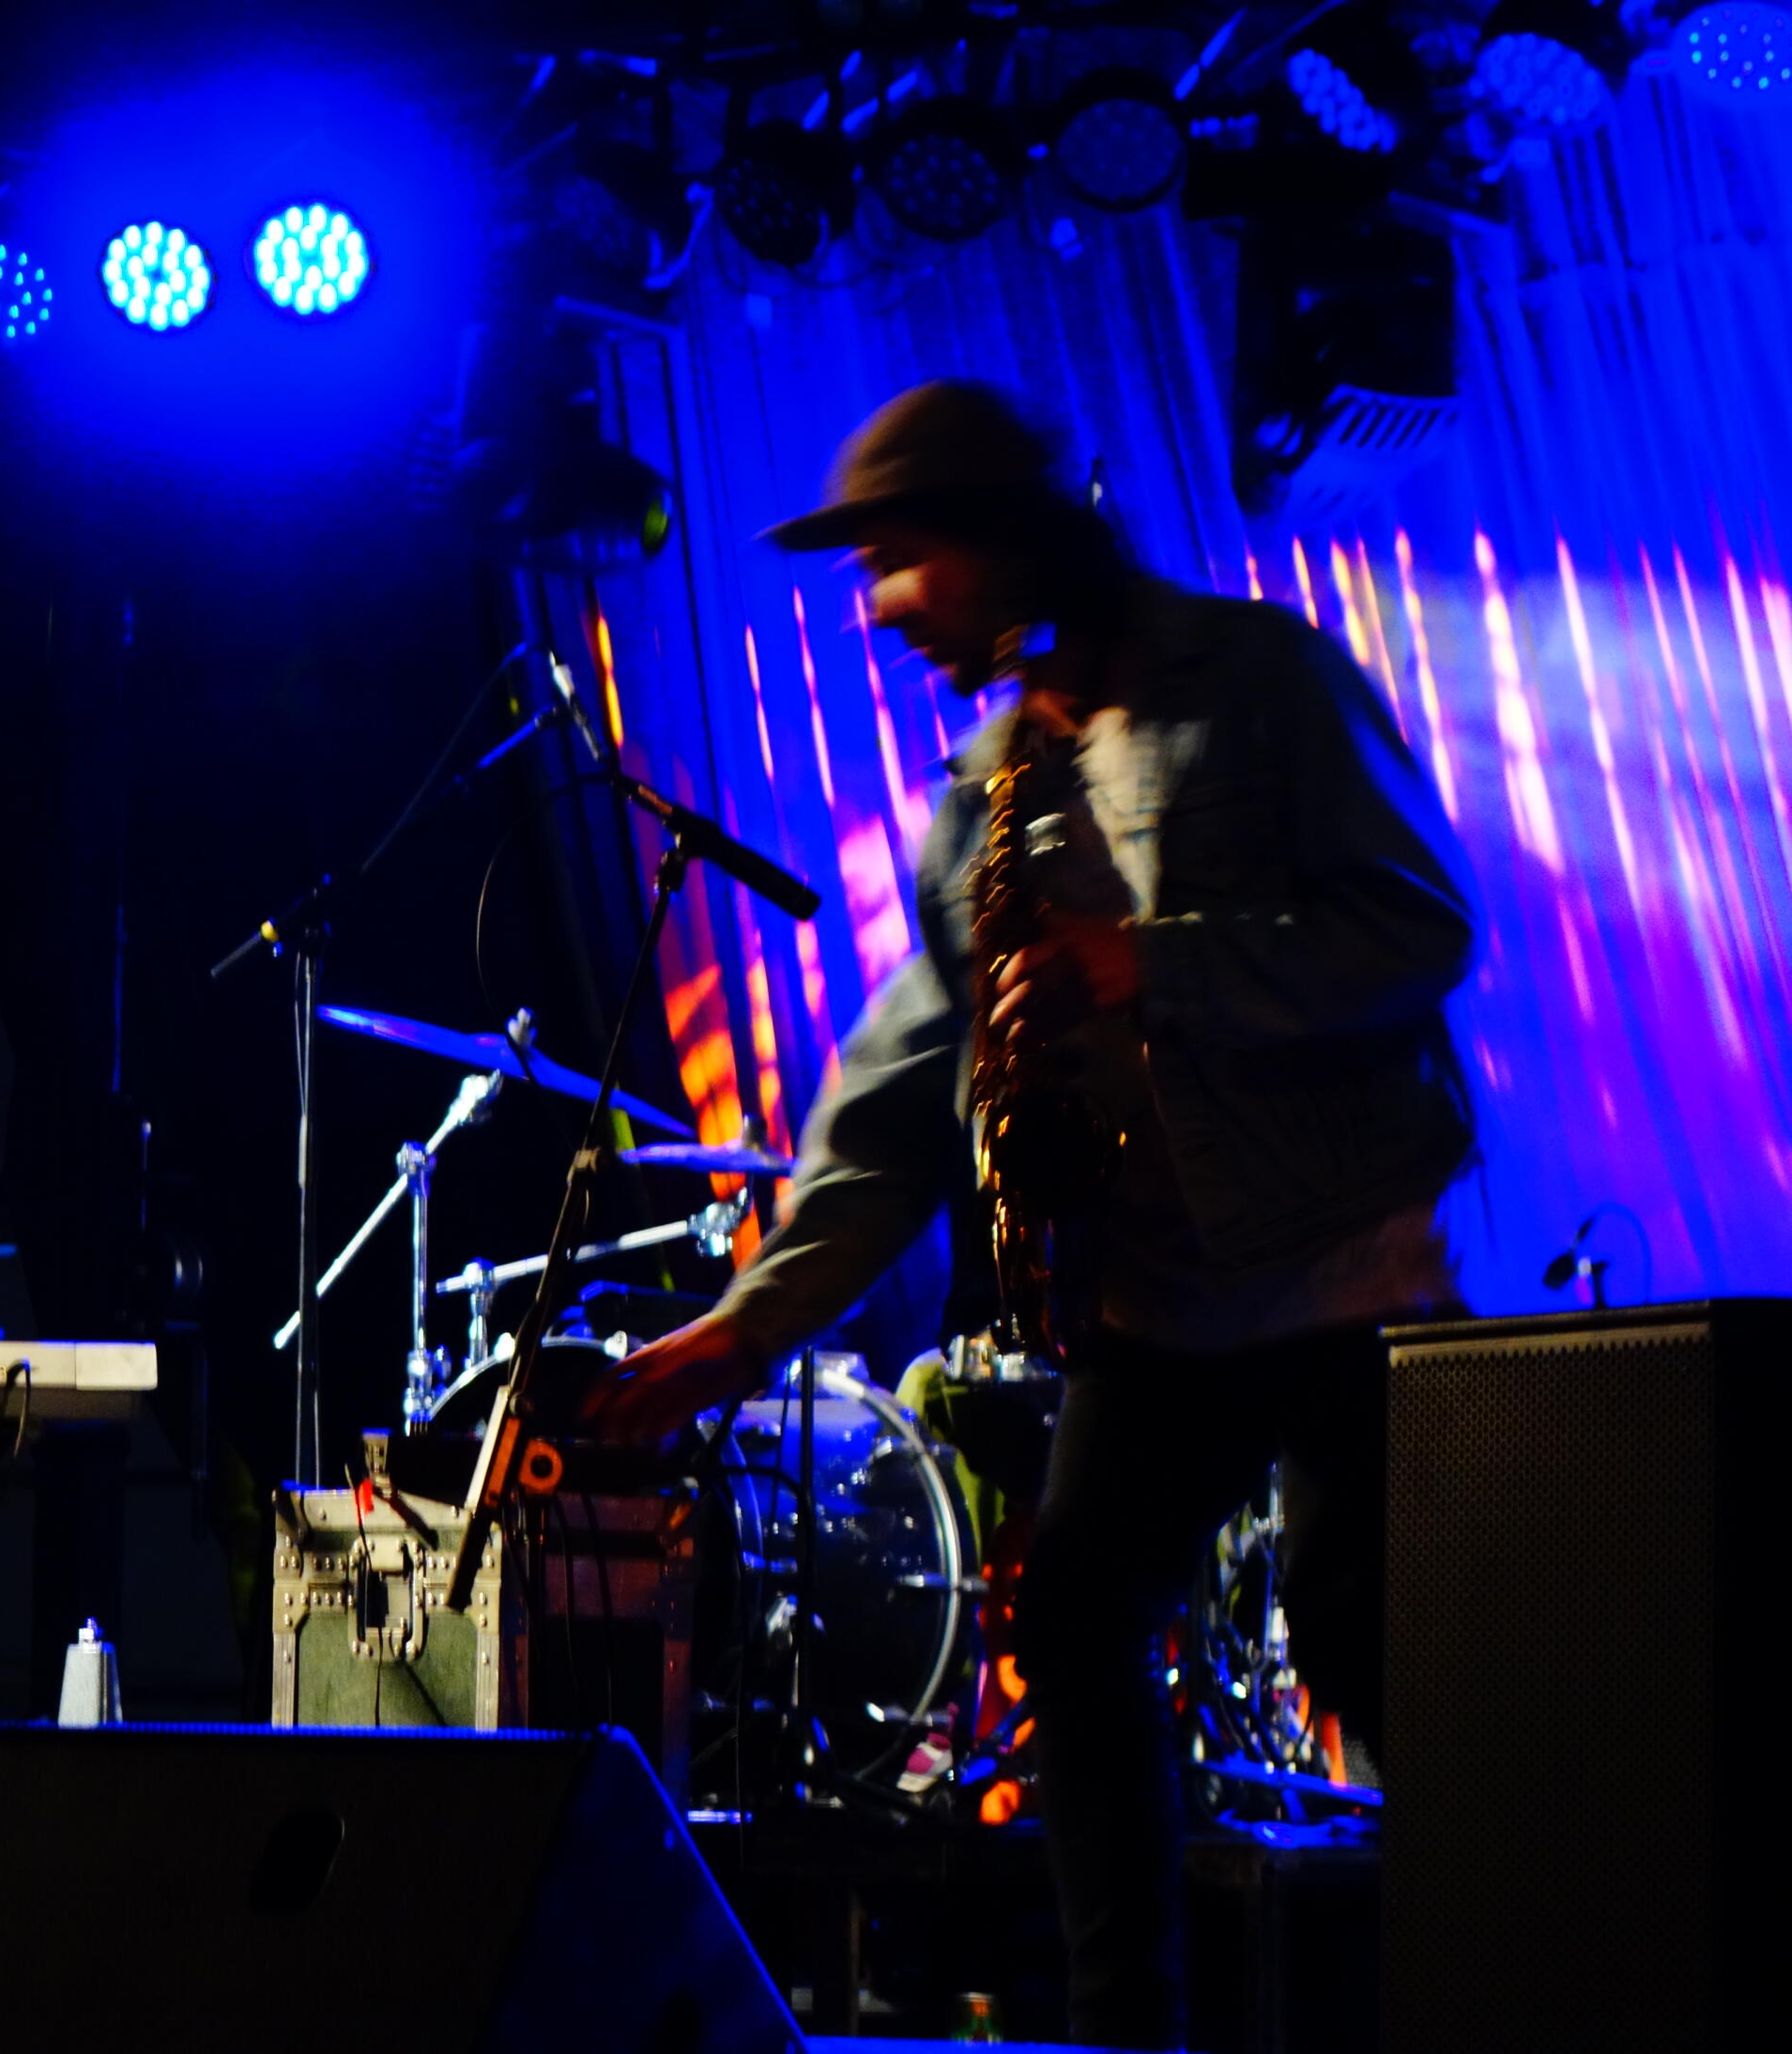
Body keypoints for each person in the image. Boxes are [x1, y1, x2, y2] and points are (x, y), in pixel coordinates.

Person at [576, 382, 1478, 2048]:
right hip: (1158, 1302)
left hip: (1343, 1272)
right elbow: (887, 1107)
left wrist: (1151, 963)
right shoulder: (986, 794)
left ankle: (1533, 1978)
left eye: (899, 558)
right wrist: (741, 1329)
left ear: (1004, 539)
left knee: (1373, 1650)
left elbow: (1418, 928)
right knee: (1068, 1619)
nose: (877, 605)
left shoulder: (1256, 678)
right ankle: (1127, 2038)